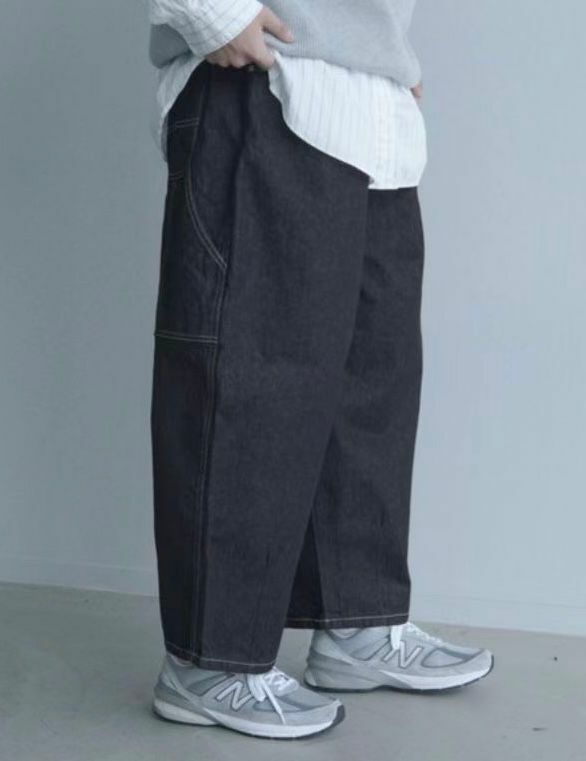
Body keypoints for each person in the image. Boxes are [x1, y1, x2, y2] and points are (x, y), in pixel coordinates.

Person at [147, 0, 494, 740]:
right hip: (269, 82)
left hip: (367, 96)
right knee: (249, 372)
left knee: (370, 377)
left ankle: (355, 621)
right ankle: (209, 660)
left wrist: (389, 59)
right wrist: (207, 9)